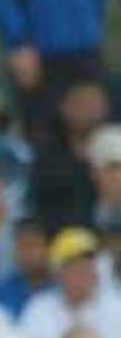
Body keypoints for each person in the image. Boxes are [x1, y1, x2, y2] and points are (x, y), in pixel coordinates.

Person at [0, 0, 106, 139]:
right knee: (43, 136)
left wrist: (92, 26)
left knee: (91, 131)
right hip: (39, 51)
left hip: (85, 45)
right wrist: (18, 42)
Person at [19, 227, 121, 338]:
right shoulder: (38, 309)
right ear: (57, 271)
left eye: (89, 263)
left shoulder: (114, 306)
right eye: (73, 264)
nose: (83, 270)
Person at [29, 79, 110, 233]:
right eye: (82, 103)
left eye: (94, 103)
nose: (89, 110)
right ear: (64, 107)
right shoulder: (47, 158)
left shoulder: (116, 151)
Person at [0, 216, 56, 318]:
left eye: (31, 246)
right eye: (19, 247)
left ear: (48, 248)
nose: (25, 253)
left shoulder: (61, 288)